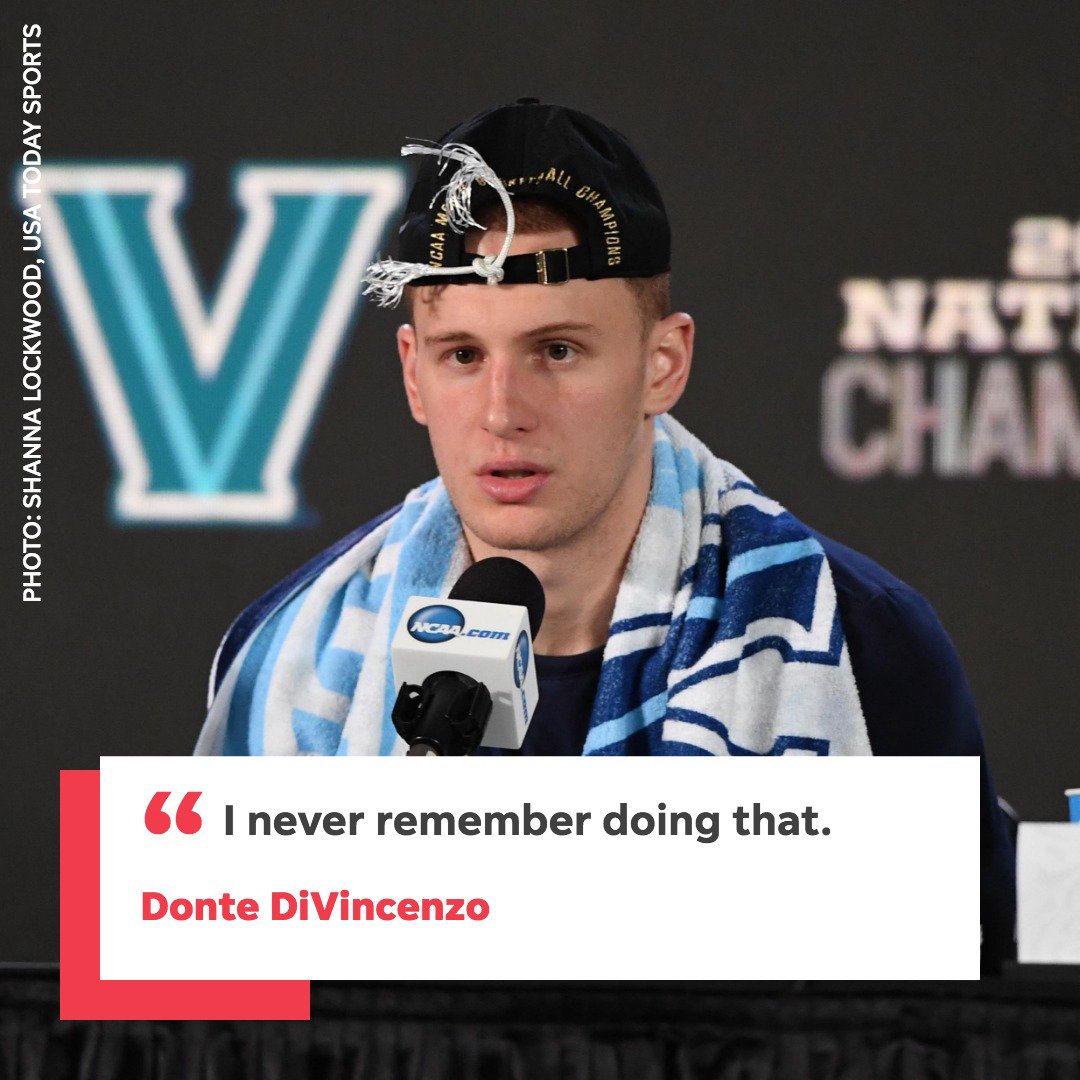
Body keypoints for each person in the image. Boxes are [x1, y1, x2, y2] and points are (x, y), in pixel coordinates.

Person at [194, 99, 1015, 971]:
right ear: (413, 375)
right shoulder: (280, 654)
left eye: (557, 351)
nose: (502, 413)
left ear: (664, 365)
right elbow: (192, 1018)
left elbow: (979, 1019)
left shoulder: (867, 643)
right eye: (463, 355)